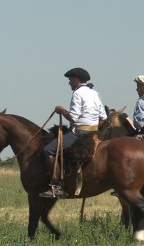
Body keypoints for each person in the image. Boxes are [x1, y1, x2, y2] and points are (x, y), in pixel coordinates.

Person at [39, 67, 107, 198]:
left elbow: (73, 117)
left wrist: (61, 110)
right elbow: (103, 117)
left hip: (80, 133)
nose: (69, 82)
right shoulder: (95, 93)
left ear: (77, 79)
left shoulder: (77, 93)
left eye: (70, 79)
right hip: (94, 133)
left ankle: (57, 186)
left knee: (48, 150)